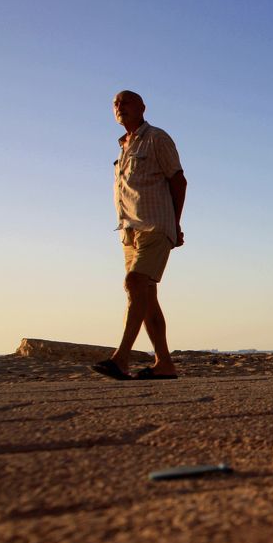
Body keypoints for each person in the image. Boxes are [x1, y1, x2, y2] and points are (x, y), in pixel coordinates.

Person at [91, 90, 187, 380]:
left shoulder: (157, 138)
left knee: (134, 283)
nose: (120, 107)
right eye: (115, 104)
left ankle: (120, 359)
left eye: (126, 101)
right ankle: (165, 363)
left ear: (142, 107)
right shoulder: (123, 147)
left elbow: (179, 180)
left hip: (156, 226)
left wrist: (175, 223)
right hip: (130, 234)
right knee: (145, 296)